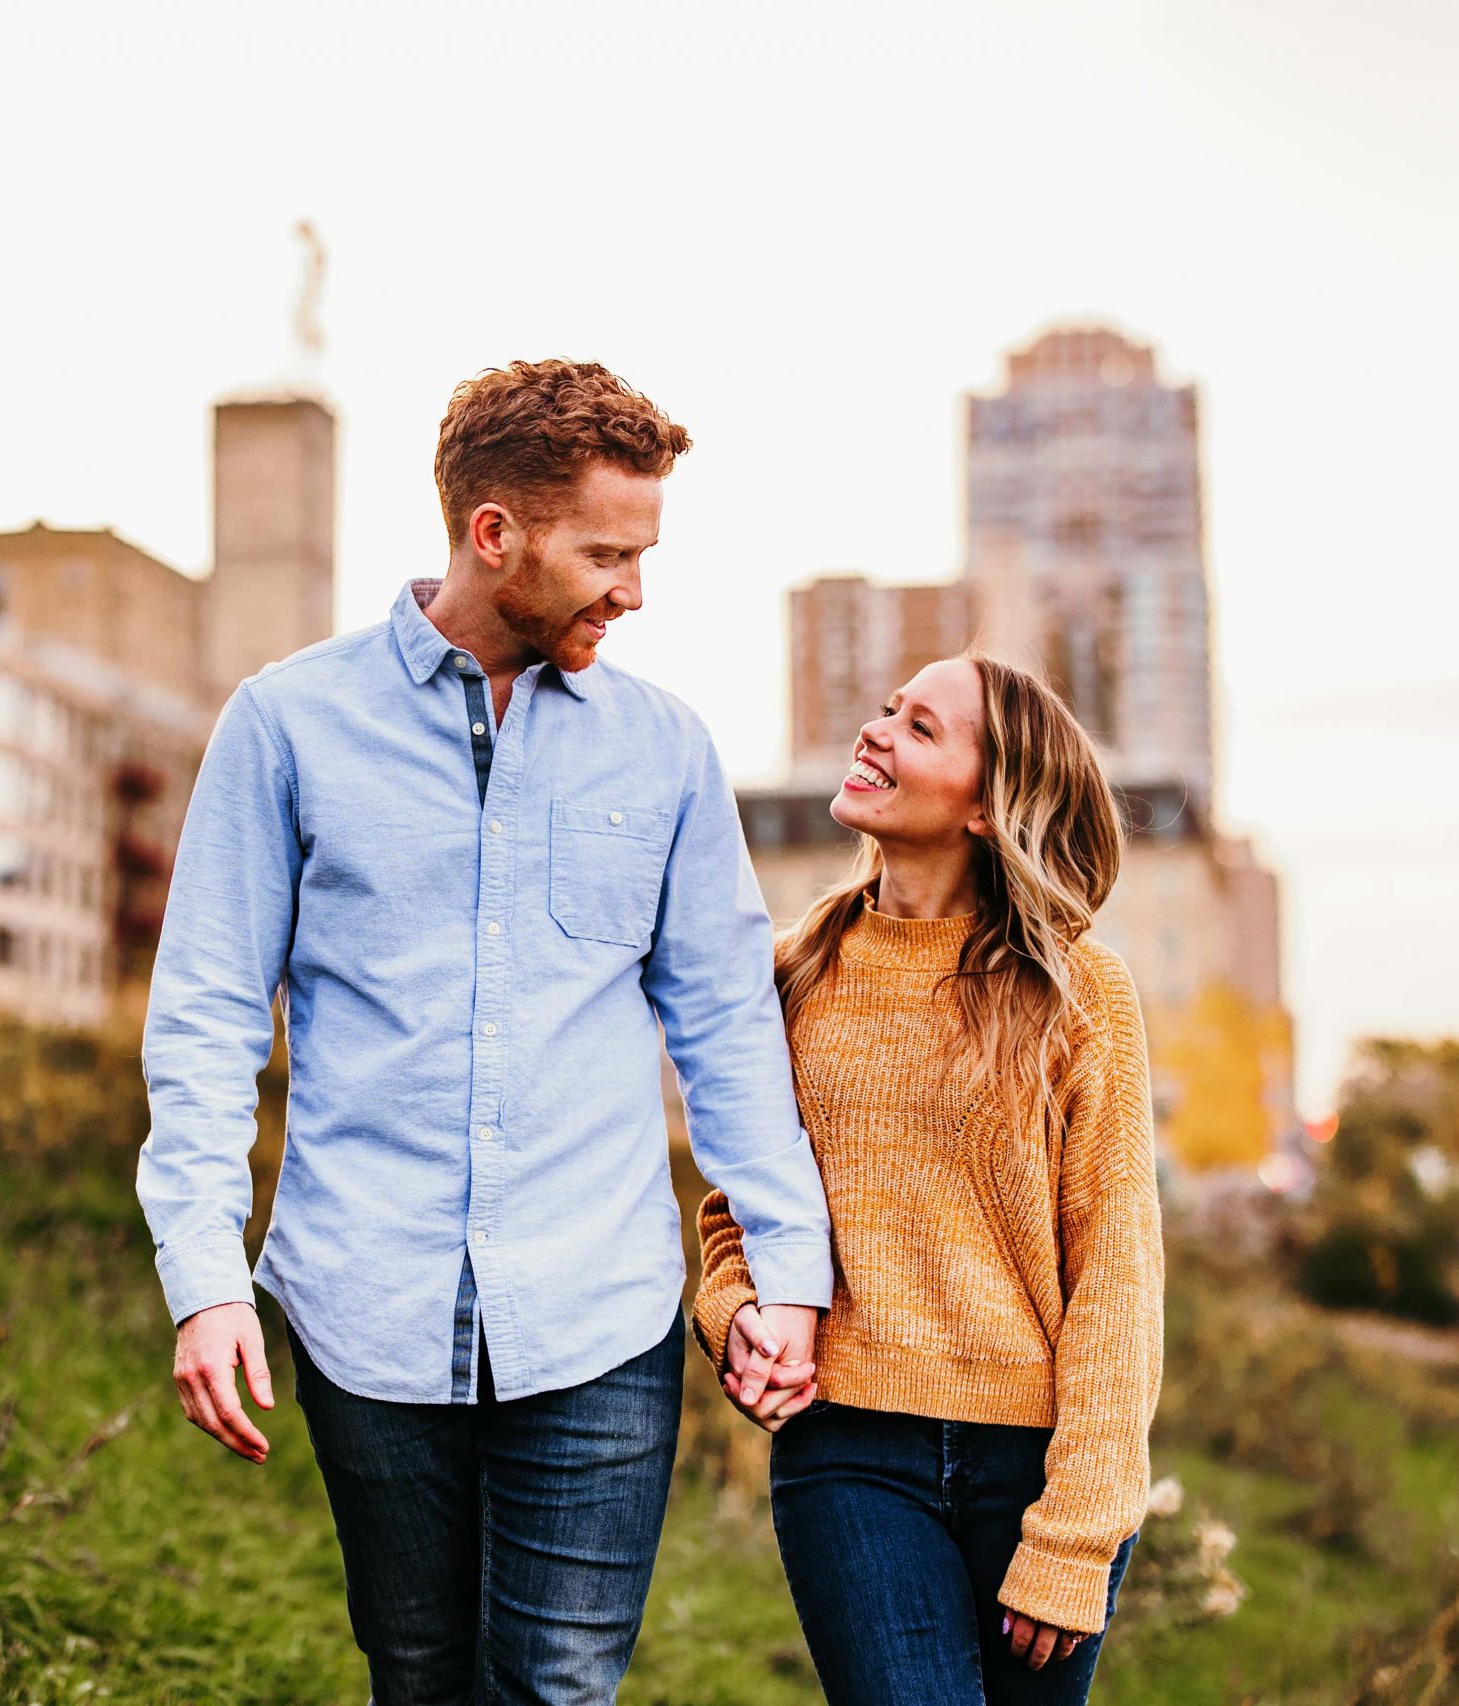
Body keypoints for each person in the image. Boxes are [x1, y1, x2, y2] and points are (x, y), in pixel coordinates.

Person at [136, 359, 834, 1705]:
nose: (633, 589)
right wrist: (205, 1272)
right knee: (417, 1671)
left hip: (600, 1311)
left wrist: (787, 1265)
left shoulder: (668, 750)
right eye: (607, 553)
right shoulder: (289, 725)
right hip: (363, 1302)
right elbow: (209, 1013)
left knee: (556, 1686)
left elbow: (728, 1026)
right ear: (493, 532)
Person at [693, 654, 1163, 1706]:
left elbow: (1117, 1272)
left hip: (1034, 1465)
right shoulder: (794, 967)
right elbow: (735, 1212)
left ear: (991, 806)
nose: (874, 731)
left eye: (918, 726)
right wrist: (736, 1316)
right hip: (848, 1455)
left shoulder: (1078, 989)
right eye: (884, 709)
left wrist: (1075, 1535)